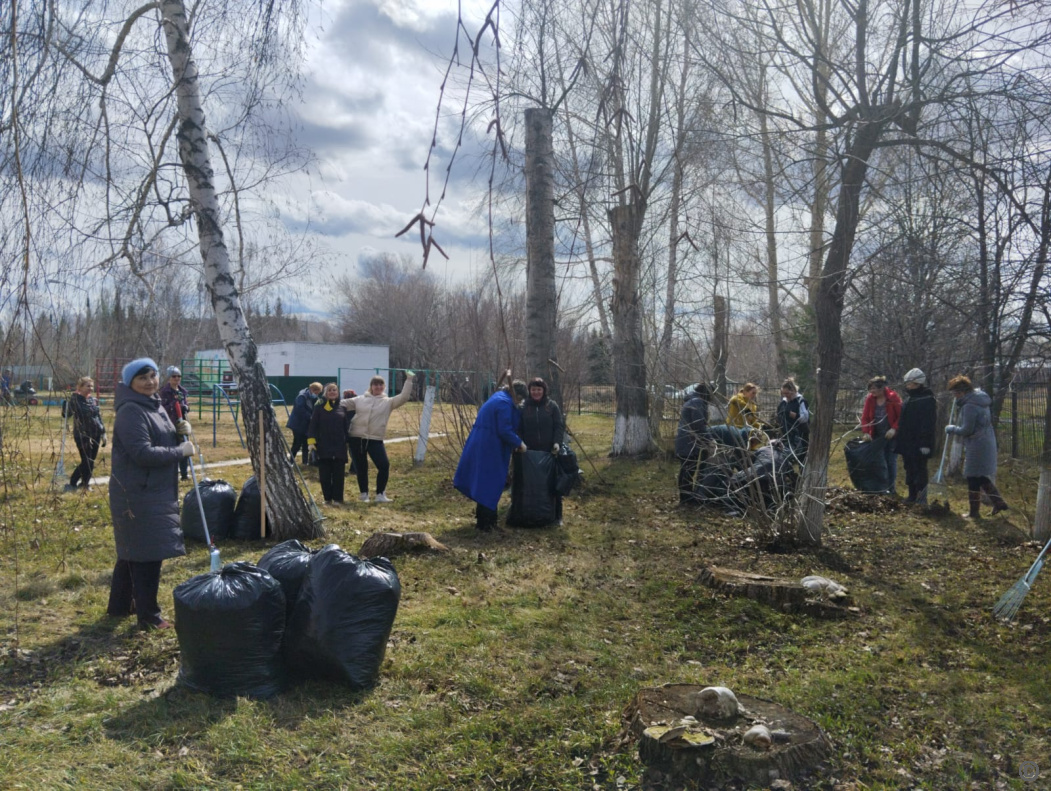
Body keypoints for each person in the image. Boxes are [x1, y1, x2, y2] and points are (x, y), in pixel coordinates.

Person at [107, 358, 194, 630]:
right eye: (142, 377)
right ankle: (149, 616)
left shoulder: (154, 405)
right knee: (147, 554)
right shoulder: (131, 411)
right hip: (138, 492)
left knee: (132, 550)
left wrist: (180, 434)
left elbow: (161, 440)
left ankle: (120, 606)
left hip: (152, 488)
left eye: (153, 375)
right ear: (130, 383)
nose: (150, 381)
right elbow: (142, 453)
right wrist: (180, 452)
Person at [454, 375, 528, 532]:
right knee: (491, 483)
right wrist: (519, 443)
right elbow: (504, 429)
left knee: (485, 482)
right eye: (520, 399)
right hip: (490, 447)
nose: (519, 403)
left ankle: (487, 520)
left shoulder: (498, 397)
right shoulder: (504, 404)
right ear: (517, 395)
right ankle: (485, 523)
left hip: (483, 443)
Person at [340, 371, 416, 503]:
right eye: (375, 385)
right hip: (356, 438)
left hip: (375, 439)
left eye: (381, 385)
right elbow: (342, 404)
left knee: (384, 465)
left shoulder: (388, 402)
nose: (378, 387)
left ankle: (380, 494)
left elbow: (404, 397)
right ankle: (364, 495)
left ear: (384, 387)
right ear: (371, 386)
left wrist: (409, 379)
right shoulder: (360, 399)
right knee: (361, 467)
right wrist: (325, 400)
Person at [946, 375, 1008, 518]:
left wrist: (951, 428)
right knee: (978, 476)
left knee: (973, 476)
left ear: (961, 392)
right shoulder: (980, 400)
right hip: (986, 440)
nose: (954, 396)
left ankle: (975, 512)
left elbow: (966, 430)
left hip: (977, 444)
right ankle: (998, 503)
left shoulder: (969, 406)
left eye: (955, 393)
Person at [518, 376, 566, 525]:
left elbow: (559, 425)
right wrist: (519, 443)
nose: (536, 392)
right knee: (530, 484)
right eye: (533, 389)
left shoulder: (552, 406)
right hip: (528, 453)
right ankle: (529, 514)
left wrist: (557, 443)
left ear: (544, 390)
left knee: (550, 485)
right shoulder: (524, 407)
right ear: (529, 391)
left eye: (539, 389)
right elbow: (518, 427)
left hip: (549, 452)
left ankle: (555, 516)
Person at [895, 368, 938, 505]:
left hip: (919, 442)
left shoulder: (927, 399)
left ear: (918, 383)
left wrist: (925, 443)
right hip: (907, 441)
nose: (908, 386)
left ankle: (921, 497)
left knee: (920, 469)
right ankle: (911, 495)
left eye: (911, 384)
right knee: (909, 468)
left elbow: (928, 423)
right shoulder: (910, 398)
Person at [307, 383, 349, 505]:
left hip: (339, 446)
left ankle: (338, 499)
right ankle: (327, 499)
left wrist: (348, 442)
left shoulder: (343, 408)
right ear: (325, 393)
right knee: (325, 474)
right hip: (323, 445)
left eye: (334, 390)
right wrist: (311, 443)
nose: (332, 392)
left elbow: (346, 427)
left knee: (338, 474)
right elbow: (312, 426)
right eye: (329, 390)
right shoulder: (319, 408)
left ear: (338, 392)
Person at [860, 375, 902, 494]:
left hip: (891, 436)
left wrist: (894, 429)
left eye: (874, 389)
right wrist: (866, 432)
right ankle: (881, 488)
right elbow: (865, 417)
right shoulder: (870, 399)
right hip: (877, 435)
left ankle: (891, 488)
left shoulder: (893, 398)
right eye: (870, 389)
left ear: (882, 388)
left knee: (891, 461)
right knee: (880, 462)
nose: (872, 391)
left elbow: (901, 416)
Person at [65, 376, 107, 491]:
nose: (91, 388)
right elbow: (66, 415)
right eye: (88, 386)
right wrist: (66, 405)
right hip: (82, 434)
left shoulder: (93, 400)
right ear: (80, 387)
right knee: (86, 460)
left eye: (92, 386)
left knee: (91, 461)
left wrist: (103, 432)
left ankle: (85, 484)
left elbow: (98, 416)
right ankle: (72, 482)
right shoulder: (75, 400)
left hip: (96, 433)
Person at [675, 382, 710, 504]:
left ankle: (686, 497)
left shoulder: (692, 401)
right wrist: (710, 440)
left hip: (685, 441)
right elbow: (698, 424)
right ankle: (686, 498)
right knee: (688, 471)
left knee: (686, 470)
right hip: (689, 442)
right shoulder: (697, 402)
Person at [158, 366, 192, 481]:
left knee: (185, 447)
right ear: (169, 378)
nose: (176, 378)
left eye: (178, 376)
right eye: (174, 376)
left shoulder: (182, 391)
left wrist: (186, 407)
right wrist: (173, 405)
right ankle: (172, 473)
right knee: (172, 448)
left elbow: (186, 404)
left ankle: (184, 473)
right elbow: (161, 408)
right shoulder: (164, 392)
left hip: (182, 423)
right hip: (169, 424)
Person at [287, 382, 322, 464]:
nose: (317, 394)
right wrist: (311, 417)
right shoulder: (302, 397)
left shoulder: (313, 398)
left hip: (306, 424)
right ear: (312, 390)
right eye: (316, 392)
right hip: (298, 424)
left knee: (306, 444)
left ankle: (305, 462)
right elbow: (300, 410)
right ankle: (291, 461)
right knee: (297, 443)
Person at [775, 378, 809, 464]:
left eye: (787, 393)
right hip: (786, 434)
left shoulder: (800, 401)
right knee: (784, 457)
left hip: (799, 434)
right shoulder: (783, 403)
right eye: (784, 393)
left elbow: (805, 418)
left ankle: (803, 475)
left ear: (793, 390)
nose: (785, 395)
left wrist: (794, 415)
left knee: (801, 457)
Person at [342, 389, 358, 476]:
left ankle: (349, 469)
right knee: (353, 452)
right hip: (353, 430)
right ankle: (354, 469)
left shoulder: (343, 405)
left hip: (346, 431)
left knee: (344, 452)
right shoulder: (357, 405)